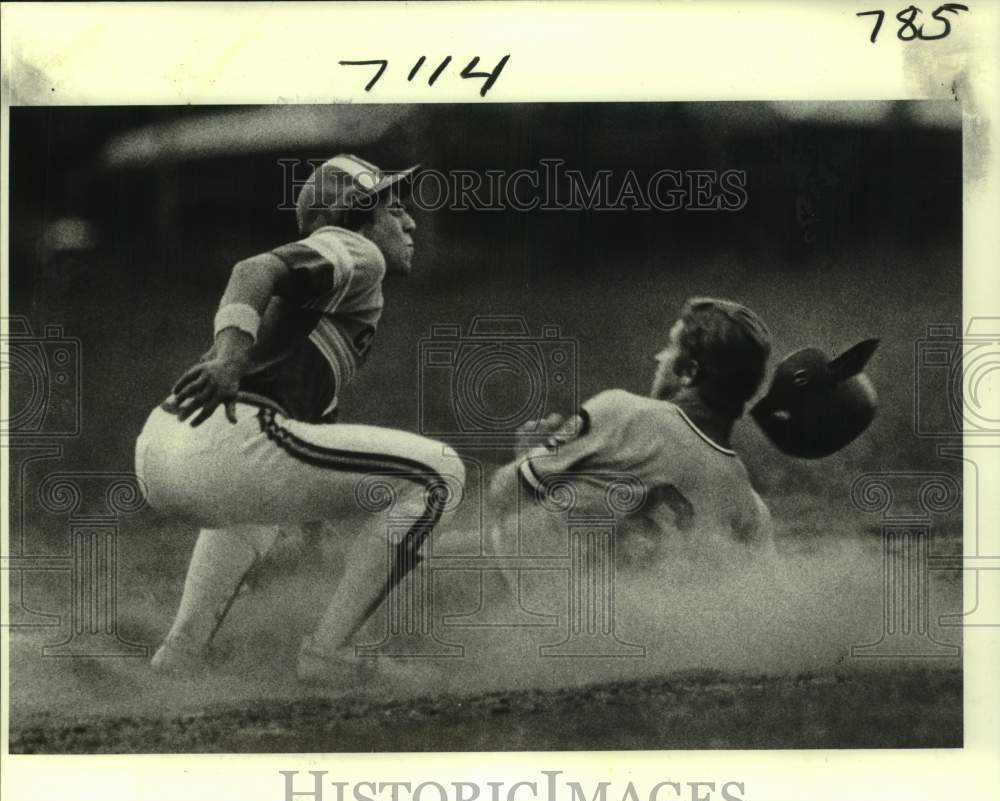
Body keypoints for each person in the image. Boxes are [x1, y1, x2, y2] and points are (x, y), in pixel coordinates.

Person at [134, 154, 465, 682]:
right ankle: (329, 655)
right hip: (229, 435)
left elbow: (314, 442)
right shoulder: (356, 250)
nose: (410, 221)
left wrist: (311, 528)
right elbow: (253, 270)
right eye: (393, 208)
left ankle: (179, 656)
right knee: (441, 474)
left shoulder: (332, 301)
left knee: (260, 509)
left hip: (166, 445)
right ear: (353, 213)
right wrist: (230, 357)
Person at [488, 297, 774, 569]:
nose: (657, 358)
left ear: (688, 371)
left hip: (520, 593)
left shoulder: (622, 412)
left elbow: (503, 494)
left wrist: (528, 454)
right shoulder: (751, 508)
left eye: (670, 348)